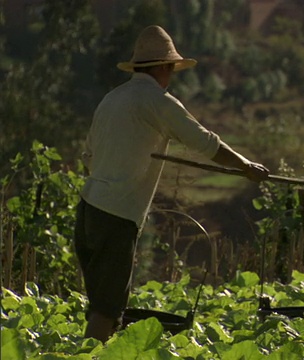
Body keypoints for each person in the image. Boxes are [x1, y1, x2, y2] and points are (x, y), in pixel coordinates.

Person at [73, 25, 270, 342]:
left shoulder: (113, 99)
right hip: (117, 214)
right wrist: (245, 165)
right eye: (172, 69)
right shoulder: (158, 101)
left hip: (88, 210)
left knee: (102, 303)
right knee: (106, 310)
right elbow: (205, 142)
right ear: (164, 67)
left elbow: (89, 156)